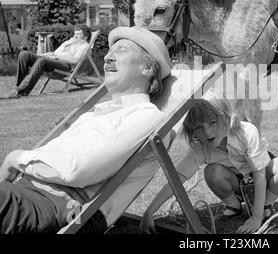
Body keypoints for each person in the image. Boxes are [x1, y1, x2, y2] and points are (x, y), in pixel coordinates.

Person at [0, 26, 172, 233]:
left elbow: (76, 170)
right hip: (24, 193)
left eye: (122, 50)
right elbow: (57, 163)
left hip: (51, 208)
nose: (108, 57)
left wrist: (15, 158)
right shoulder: (94, 114)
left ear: (148, 69)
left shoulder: (147, 116)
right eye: (110, 51)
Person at [140, 94, 278, 234]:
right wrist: (149, 212)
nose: (207, 133)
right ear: (191, 131)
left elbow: (260, 174)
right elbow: (176, 179)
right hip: (235, 183)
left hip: (260, 178)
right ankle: (234, 205)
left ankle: (265, 205)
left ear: (227, 117)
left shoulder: (247, 132)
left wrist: (256, 217)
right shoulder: (199, 147)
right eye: (198, 128)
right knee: (212, 172)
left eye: (213, 122)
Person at [1, 25, 92, 99]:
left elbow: (75, 61)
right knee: (24, 54)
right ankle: (17, 88)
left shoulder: (84, 46)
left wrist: (56, 56)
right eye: (74, 34)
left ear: (86, 36)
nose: (75, 36)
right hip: (53, 61)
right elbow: (55, 53)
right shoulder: (69, 42)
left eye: (78, 34)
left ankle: (22, 91)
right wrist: (46, 55)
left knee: (42, 61)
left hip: (66, 66)